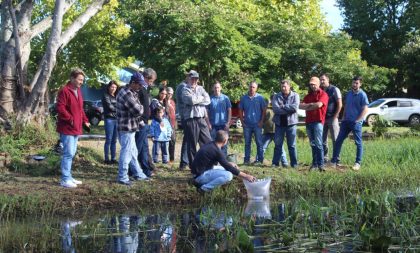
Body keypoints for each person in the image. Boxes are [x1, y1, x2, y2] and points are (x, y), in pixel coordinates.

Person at [190, 130, 256, 193]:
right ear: (225, 141)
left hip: (201, 171)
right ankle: (204, 188)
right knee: (229, 175)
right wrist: (246, 176)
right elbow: (228, 168)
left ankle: (201, 184)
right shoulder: (216, 151)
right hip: (200, 176)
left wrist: (228, 163)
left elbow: (222, 163)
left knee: (229, 169)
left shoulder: (211, 144)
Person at [56, 68, 90, 188]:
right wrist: (70, 119)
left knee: (72, 153)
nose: (81, 82)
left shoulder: (78, 91)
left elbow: (80, 109)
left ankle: (69, 176)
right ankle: (64, 179)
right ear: (72, 78)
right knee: (68, 153)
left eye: (82, 80)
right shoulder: (64, 91)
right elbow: (60, 108)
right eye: (80, 79)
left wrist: (85, 120)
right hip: (67, 128)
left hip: (76, 128)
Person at [116, 72, 149, 185]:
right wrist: (142, 107)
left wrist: (139, 108)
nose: (141, 87)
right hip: (126, 128)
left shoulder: (132, 92)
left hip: (130, 127)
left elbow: (137, 111)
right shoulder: (126, 94)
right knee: (126, 152)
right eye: (139, 84)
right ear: (133, 83)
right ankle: (122, 177)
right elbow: (138, 111)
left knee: (133, 152)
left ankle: (138, 174)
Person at [331, 76, 369, 171]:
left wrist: (358, 120)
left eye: (356, 83)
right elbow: (346, 106)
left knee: (358, 142)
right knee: (338, 140)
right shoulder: (349, 94)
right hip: (346, 122)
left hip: (355, 123)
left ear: (360, 84)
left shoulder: (362, 95)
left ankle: (357, 163)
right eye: (353, 82)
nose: (354, 84)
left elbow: (365, 109)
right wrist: (343, 117)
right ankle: (334, 161)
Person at [181, 70, 212, 165]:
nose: (194, 80)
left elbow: (208, 100)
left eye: (196, 78)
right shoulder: (185, 89)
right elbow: (190, 101)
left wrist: (197, 100)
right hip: (191, 120)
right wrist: (201, 99)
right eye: (192, 78)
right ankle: (193, 166)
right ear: (189, 78)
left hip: (201, 119)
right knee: (192, 144)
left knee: (208, 142)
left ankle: (208, 163)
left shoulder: (201, 89)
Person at [299, 76, 329, 171]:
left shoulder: (324, 94)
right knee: (313, 144)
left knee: (319, 144)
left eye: (314, 84)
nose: (312, 86)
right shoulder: (308, 96)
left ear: (318, 84)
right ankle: (315, 164)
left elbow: (319, 105)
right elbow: (300, 106)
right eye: (311, 84)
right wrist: (312, 105)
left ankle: (321, 164)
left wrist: (309, 106)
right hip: (309, 122)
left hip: (318, 122)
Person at [272, 80, 300, 168]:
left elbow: (295, 108)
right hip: (279, 124)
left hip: (291, 124)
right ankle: (275, 163)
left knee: (292, 145)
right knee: (278, 145)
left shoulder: (295, 95)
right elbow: (276, 109)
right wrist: (288, 109)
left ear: (289, 86)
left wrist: (283, 106)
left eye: (285, 86)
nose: (283, 88)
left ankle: (294, 164)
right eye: (282, 87)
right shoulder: (276, 96)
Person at [135, 68, 157, 177]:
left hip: (145, 121)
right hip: (140, 122)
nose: (151, 83)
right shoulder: (140, 89)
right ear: (147, 78)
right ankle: (132, 170)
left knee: (144, 147)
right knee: (138, 147)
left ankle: (146, 169)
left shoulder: (146, 89)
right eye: (151, 80)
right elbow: (136, 106)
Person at [239, 81, 267, 165]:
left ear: (256, 88)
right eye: (250, 86)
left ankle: (260, 160)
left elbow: (264, 110)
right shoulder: (243, 98)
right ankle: (246, 160)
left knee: (259, 143)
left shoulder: (260, 98)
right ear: (249, 87)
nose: (252, 88)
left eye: (253, 87)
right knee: (247, 143)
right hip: (247, 124)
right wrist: (242, 122)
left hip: (257, 125)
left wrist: (261, 121)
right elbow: (240, 110)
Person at [320, 73, 342, 163]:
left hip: (332, 118)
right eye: (320, 80)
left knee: (335, 139)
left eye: (323, 80)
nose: (322, 81)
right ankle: (325, 158)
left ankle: (336, 159)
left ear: (328, 80)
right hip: (322, 118)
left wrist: (335, 116)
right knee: (323, 140)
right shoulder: (320, 90)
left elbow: (340, 104)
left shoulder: (334, 89)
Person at [207, 81, 231, 157]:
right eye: (215, 88)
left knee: (224, 143)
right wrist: (208, 124)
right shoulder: (209, 99)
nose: (216, 89)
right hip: (213, 125)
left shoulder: (226, 98)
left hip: (223, 125)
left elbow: (229, 111)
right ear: (213, 89)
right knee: (213, 144)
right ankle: (213, 160)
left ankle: (223, 160)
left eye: (218, 87)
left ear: (220, 88)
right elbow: (206, 113)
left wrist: (228, 123)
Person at [260, 97, 287, 165]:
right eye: (273, 99)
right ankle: (259, 160)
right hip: (267, 132)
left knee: (280, 148)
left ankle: (284, 162)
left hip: (277, 132)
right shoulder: (266, 109)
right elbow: (262, 118)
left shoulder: (280, 108)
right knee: (262, 147)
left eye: (276, 99)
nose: (274, 101)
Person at [102, 80, 119, 164]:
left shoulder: (116, 96)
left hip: (116, 120)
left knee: (114, 140)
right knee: (108, 139)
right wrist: (119, 110)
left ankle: (113, 158)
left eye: (115, 87)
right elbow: (110, 107)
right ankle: (106, 158)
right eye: (112, 87)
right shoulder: (105, 96)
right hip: (109, 119)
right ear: (109, 87)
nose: (114, 88)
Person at [175, 75, 190, 170]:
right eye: (191, 78)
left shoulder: (184, 86)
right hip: (185, 116)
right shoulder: (183, 86)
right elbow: (187, 101)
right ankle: (184, 162)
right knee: (188, 138)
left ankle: (186, 161)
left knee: (189, 138)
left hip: (187, 115)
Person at [166, 87, 177, 163]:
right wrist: (167, 104)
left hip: (172, 124)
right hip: (165, 124)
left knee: (172, 141)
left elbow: (174, 113)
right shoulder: (164, 101)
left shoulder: (173, 102)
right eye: (169, 93)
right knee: (163, 142)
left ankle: (171, 159)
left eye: (171, 94)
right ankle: (163, 159)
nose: (170, 95)